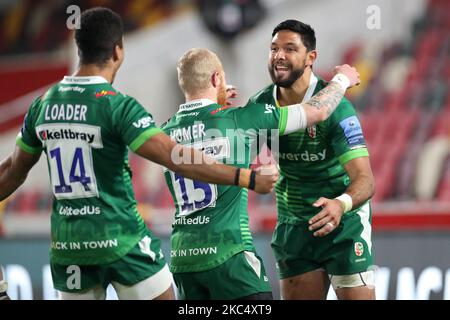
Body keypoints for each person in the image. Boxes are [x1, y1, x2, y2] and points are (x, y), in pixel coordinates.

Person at [0, 8, 278, 300]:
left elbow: (11, 172)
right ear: (118, 51)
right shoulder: (116, 106)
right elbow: (176, 157)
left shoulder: (43, 104)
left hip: (70, 247)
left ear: (78, 48)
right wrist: (245, 176)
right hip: (121, 241)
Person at [161, 48, 361, 300]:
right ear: (215, 79)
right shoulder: (240, 119)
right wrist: (341, 80)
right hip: (230, 257)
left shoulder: (163, 132)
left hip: (182, 261)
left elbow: (201, 130)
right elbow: (317, 111)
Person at [248, 19, 376, 300]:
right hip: (294, 226)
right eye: (273, 48)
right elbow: (236, 160)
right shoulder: (259, 106)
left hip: (345, 224)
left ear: (311, 57)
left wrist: (341, 205)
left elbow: (365, 180)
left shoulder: (338, 108)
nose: (278, 56)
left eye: (289, 49)